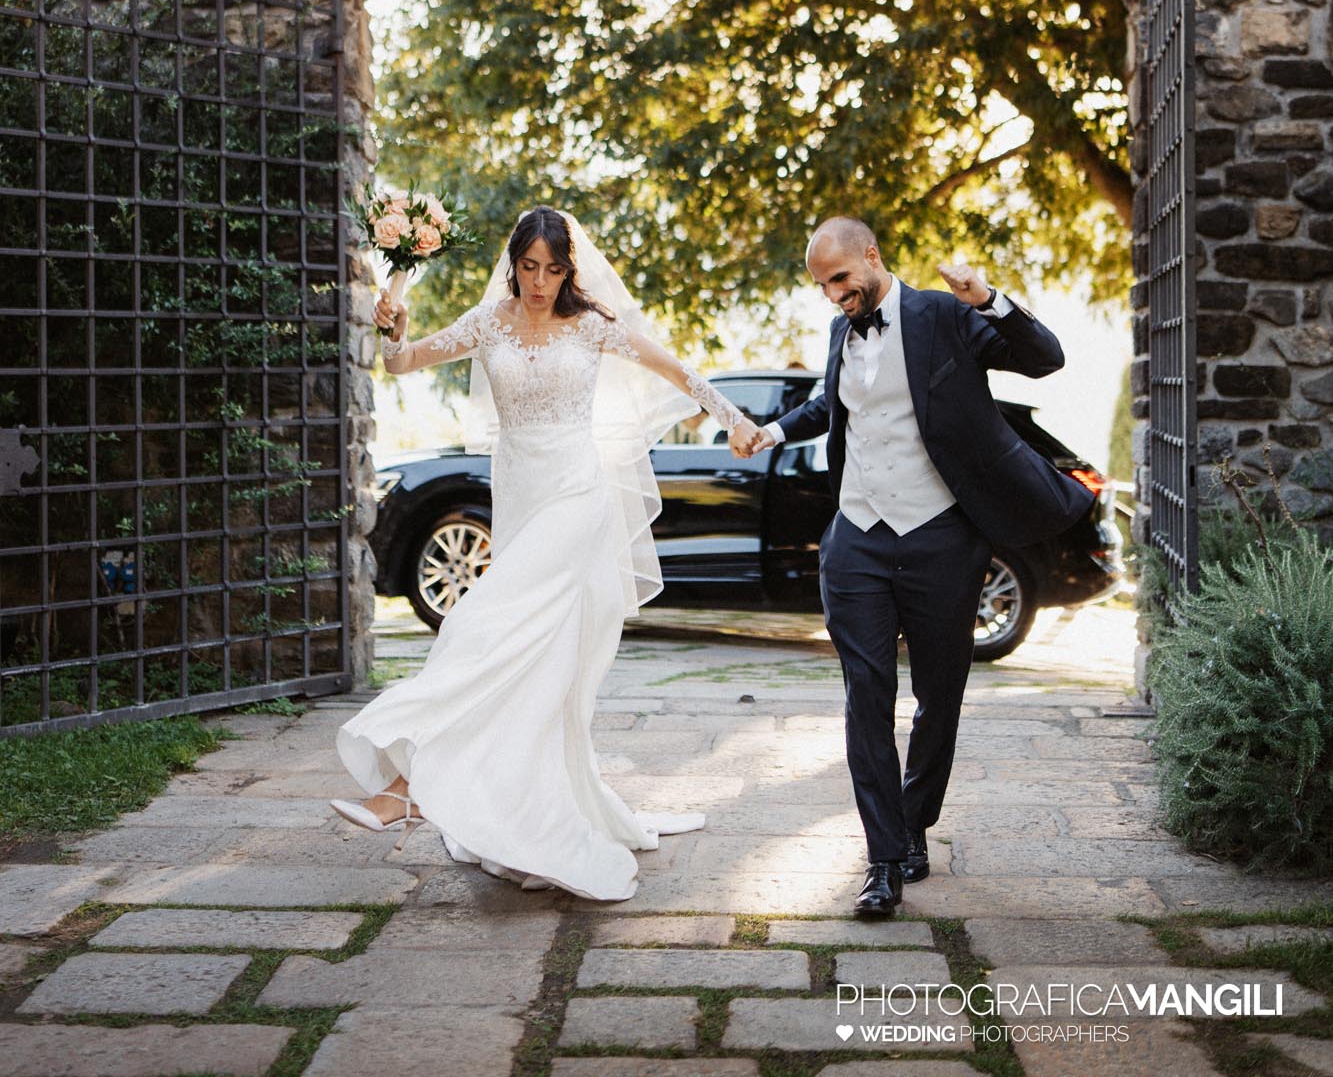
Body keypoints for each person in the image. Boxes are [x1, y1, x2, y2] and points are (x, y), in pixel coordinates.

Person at [329, 205, 765, 901]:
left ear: (568, 270)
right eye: (528, 267)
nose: (538, 282)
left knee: (477, 627)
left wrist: (734, 419)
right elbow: (402, 363)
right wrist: (395, 326)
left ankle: (407, 785)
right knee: (536, 663)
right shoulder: (487, 322)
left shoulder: (590, 326)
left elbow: (672, 368)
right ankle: (530, 814)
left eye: (552, 269)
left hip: (577, 496)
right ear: (513, 264)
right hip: (521, 499)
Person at [734, 217, 1096, 919]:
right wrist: (771, 431)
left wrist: (986, 298)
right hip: (857, 540)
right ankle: (882, 860)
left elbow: (1043, 358)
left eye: (840, 279)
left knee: (939, 695)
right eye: (821, 286)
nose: (832, 295)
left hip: (941, 537)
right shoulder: (840, 330)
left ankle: (913, 823)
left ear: (871, 257)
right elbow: (829, 403)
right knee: (865, 696)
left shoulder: (943, 314)